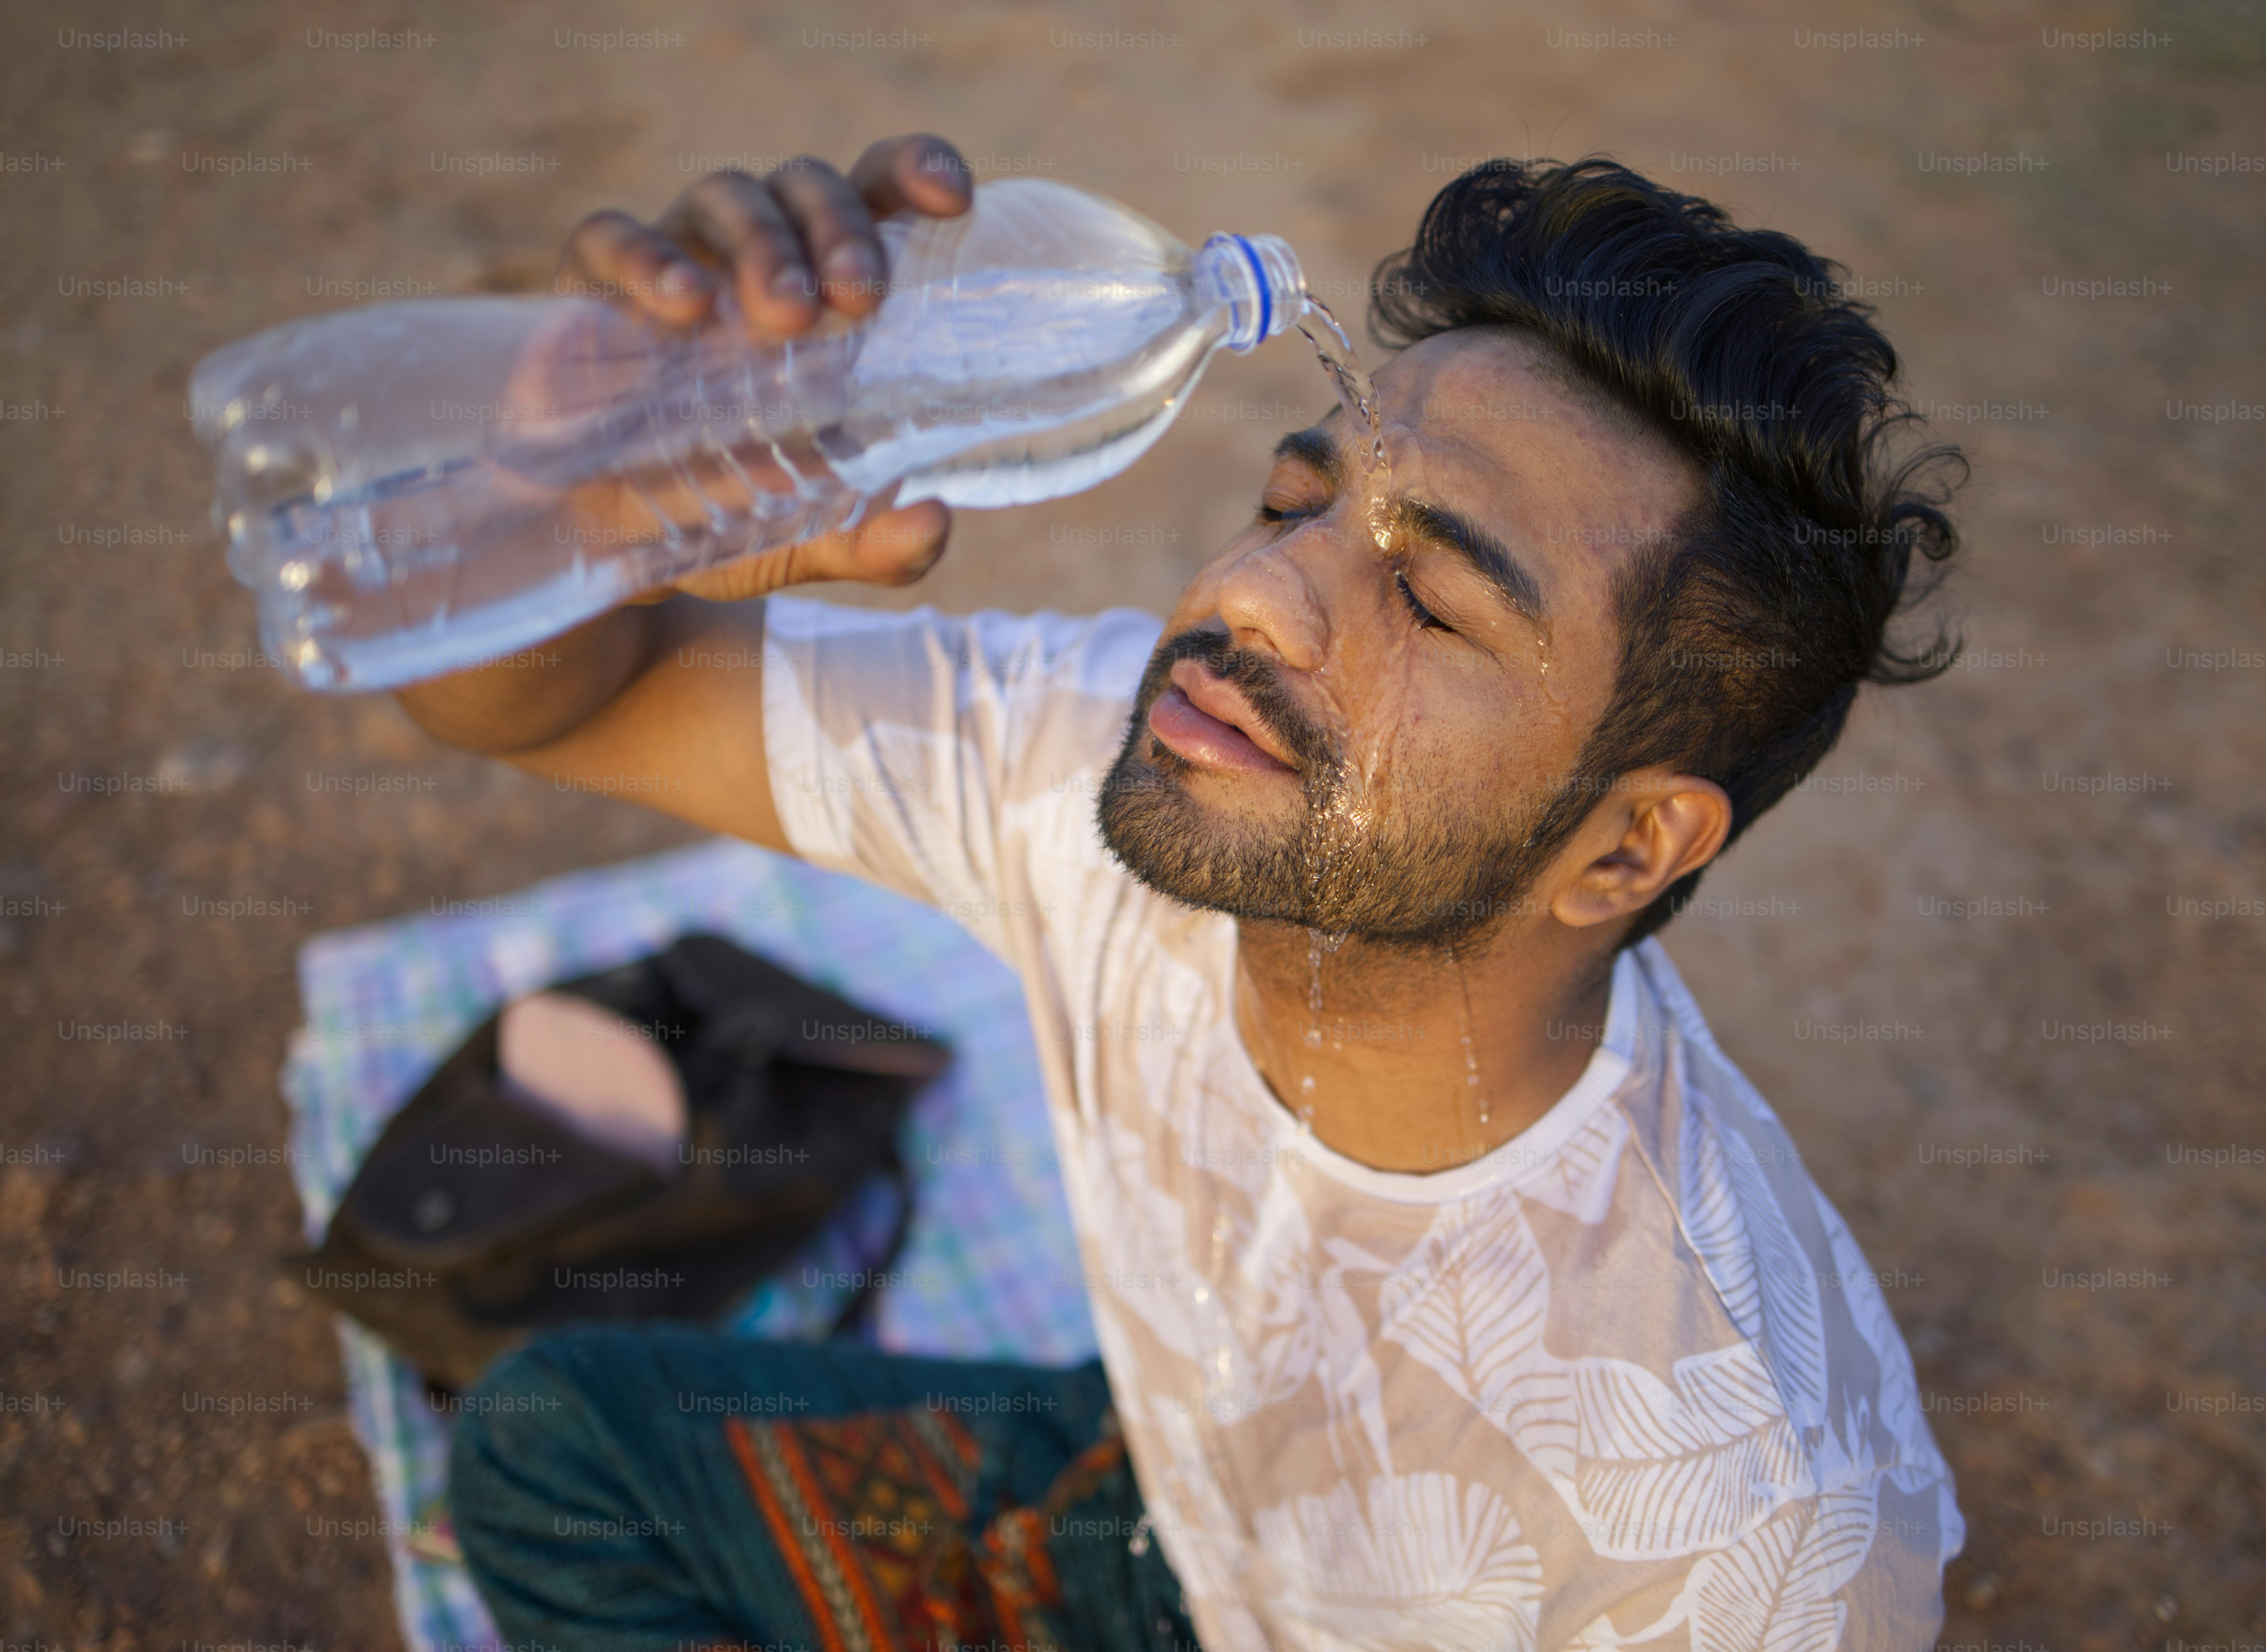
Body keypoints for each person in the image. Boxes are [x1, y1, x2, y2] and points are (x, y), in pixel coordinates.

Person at [420, 132, 1970, 1652]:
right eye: (1296, 502)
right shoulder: (1115, 753)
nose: (1248, 594)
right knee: (557, 1452)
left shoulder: (1740, 1525)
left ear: (1628, 849)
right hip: (1165, 1514)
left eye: (1430, 602)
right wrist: (578, 500)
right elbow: (559, 699)